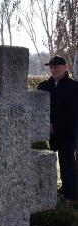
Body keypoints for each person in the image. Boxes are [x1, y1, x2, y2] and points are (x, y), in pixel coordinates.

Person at [37, 55, 78, 202]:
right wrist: (44, 124)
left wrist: (56, 127)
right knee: (42, 164)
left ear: (65, 68)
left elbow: (73, 114)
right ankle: (45, 195)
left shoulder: (74, 87)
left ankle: (70, 198)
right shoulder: (43, 86)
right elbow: (38, 108)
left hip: (67, 133)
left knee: (67, 165)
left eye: (57, 67)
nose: (54, 70)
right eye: (52, 67)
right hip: (44, 132)